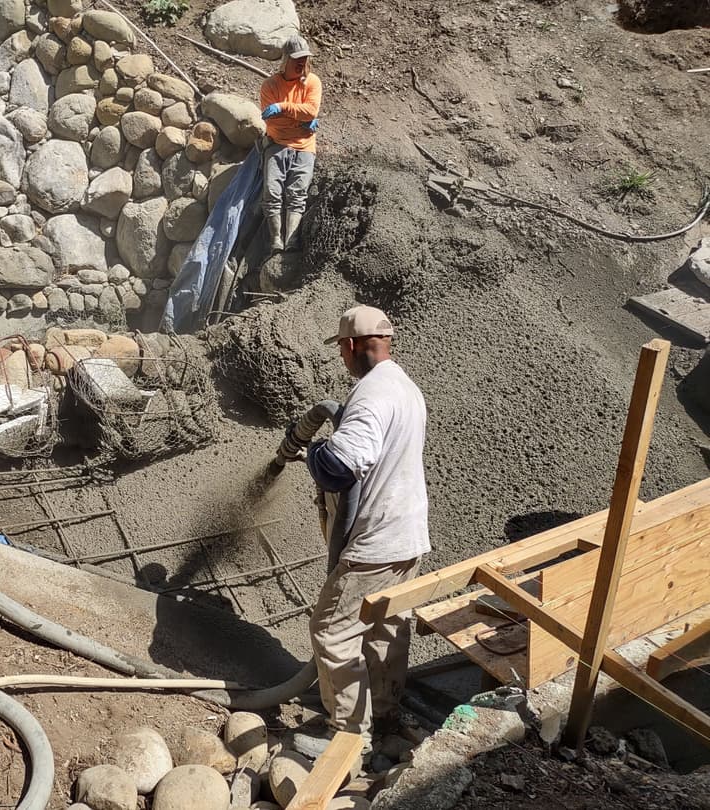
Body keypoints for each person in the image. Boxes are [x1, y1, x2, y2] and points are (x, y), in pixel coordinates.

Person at [295, 306, 430, 761]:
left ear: (352, 346)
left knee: (331, 631)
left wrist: (313, 451)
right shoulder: (406, 387)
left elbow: (341, 465)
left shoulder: (370, 394)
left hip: (376, 539)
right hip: (409, 535)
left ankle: (349, 739)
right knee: (385, 628)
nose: (342, 358)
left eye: (341, 350)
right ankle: (386, 717)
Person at [259, 34, 322, 252]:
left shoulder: (313, 82)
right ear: (285, 60)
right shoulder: (269, 86)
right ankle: (276, 239)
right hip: (277, 143)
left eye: (304, 59)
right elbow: (272, 120)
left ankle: (291, 240)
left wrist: (284, 108)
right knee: (272, 190)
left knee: (297, 193)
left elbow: (311, 111)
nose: (301, 63)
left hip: (305, 146)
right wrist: (301, 119)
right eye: (297, 59)